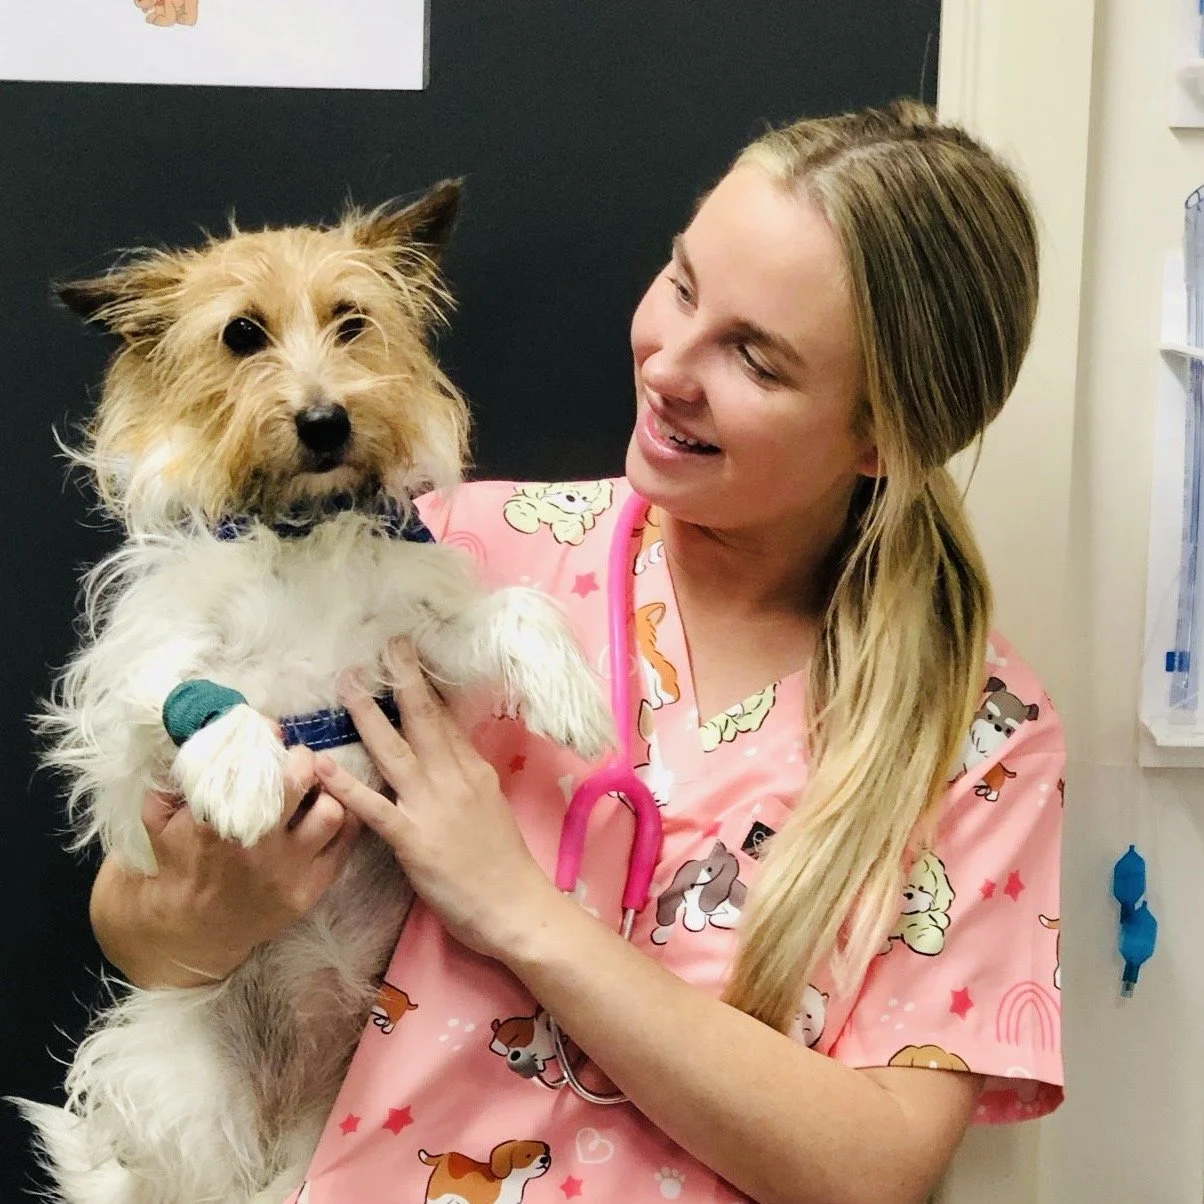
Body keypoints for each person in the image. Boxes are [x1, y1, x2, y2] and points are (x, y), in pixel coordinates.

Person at [90, 100, 1067, 1204]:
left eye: (755, 356)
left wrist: (520, 913)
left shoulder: (977, 731)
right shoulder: (444, 552)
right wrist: (229, 899)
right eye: (684, 283)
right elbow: (136, 922)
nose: (668, 364)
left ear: (882, 435)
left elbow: (879, 1168)